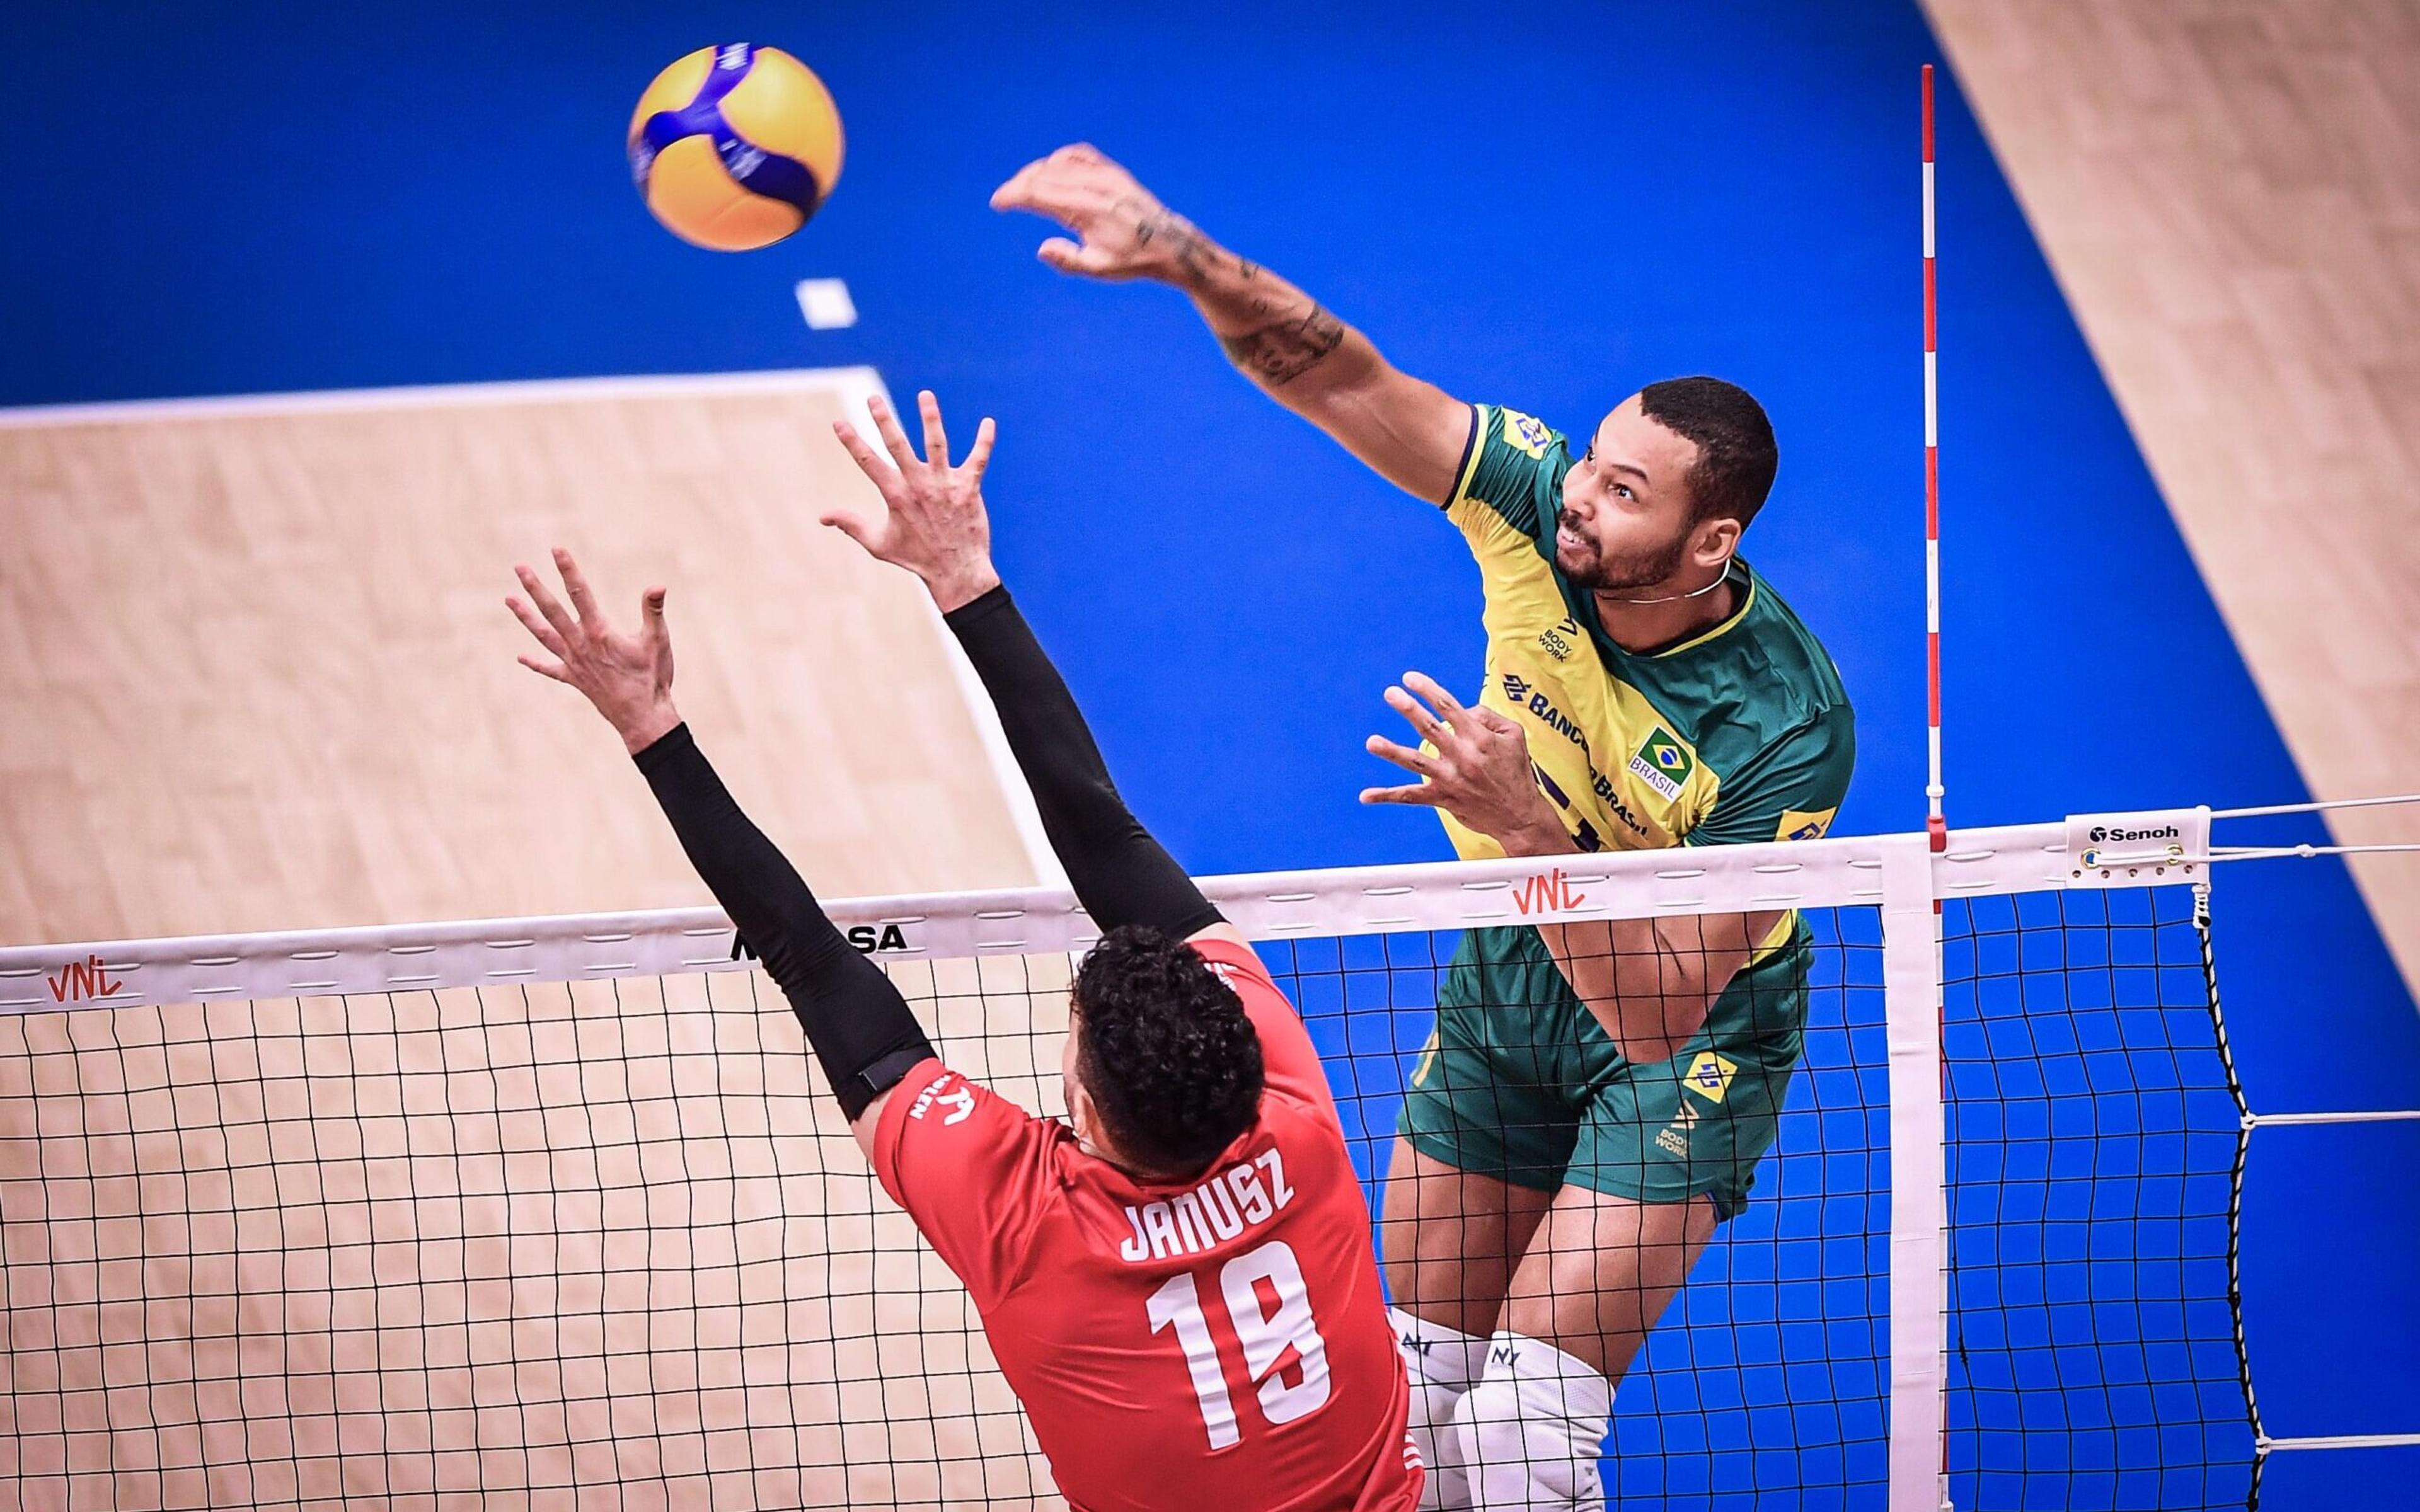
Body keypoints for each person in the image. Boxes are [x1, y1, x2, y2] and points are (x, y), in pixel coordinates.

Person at [993, 146, 1855, 1509]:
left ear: (1710, 544)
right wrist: (1182, 258)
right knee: (1411, 1397)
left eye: (1629, 491)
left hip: (1690, 1034)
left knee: (1515, 1440)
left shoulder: (1785, 727)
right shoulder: (1529, 495)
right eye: (1596, 460)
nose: (1582, 493)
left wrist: (1522, 831)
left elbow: (1658, 1017)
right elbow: (1343, 375)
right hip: (1518, 972)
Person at [503, 389, 1422, 1512]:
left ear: (1083, 1116)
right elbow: (1087, 842)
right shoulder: (1292, 1112)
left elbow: (815, 963)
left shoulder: (1027, 1218)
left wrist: (648, 721)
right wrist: (964, 580)